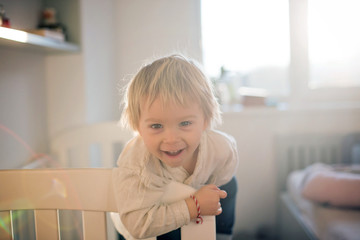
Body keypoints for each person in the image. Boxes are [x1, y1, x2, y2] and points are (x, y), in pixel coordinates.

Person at [113, 54, 239, 240]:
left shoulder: (220, 149)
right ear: (137, 126)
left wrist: (209, 198)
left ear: (205, 119)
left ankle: (221, 235)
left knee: (230, 183)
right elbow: (137, 225)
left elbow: (227, 177)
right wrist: (193, 206)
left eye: (185, 123)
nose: (171, 139)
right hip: (141, 224)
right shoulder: (138, 163)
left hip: (188, 212)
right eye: (156, 126)